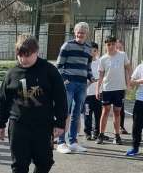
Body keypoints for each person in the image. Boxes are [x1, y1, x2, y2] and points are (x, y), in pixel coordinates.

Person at [0, 35, 67, 173]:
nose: (23, 59)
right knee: (19, 163)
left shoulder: (49, 71)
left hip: (43, 126)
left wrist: (60, 123)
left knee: (46, 161)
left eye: (28, 55)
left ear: (37, 52)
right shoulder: (12, 74)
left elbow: (61, 98)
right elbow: (3, 100)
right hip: (18, 125)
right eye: (20, 55)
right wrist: (0, 124)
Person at [56, 21, 93, 153]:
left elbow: (88, 67)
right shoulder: (67, 45)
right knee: (65, 112)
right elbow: (59, 65)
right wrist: (64, 79)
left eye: (83, 33)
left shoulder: (88, 48)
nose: (80, 34)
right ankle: (61, 142)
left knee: (77, 113)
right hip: (69, 84)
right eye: (78, 32)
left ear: (86, 34)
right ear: (74, 32)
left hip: (82, 84)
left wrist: (91, 77)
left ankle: (72, 142)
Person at [96, 36, 131, 144]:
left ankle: (117, 136)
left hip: (119, 89)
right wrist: (97, 89)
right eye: (108, 44)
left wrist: (128, 83)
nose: (111, 46)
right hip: (107, 89)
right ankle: (101, 135)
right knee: (105, 111)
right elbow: (100, 76)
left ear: (116, 44)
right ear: (105, 45)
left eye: (112, 44)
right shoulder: (103, 59)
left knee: (117, 112)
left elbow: (128, 69)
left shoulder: (122, 55)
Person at [83, 42, 102, 140]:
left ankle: (97, 132)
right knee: (87, 114)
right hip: (87, 94)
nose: (92, 53)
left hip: (98, 93)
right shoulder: (84, 63)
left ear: (97, 51)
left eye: (94, 51)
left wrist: (98, 81)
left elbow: (104, 76)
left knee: (98, 114)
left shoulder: (100, 62)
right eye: (90, 51)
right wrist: (89, 82)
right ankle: (87, 132)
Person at [126, 60, 143, 157]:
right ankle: (135, 148)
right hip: (140, 100)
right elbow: (131, 82)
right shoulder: (140, 67)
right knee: (137, 126)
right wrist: (137, 82)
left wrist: (137, 82)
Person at [116, 40, 129, 134]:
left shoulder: (124, 58)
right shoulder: (108, 58)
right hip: (109, 88)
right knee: (104, 109)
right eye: (117, 47)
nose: (119, 49)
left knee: (121, 108)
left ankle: (121, 126)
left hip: (121, 87)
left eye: (120, 48)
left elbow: (127, 72)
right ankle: (98, 129)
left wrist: (127, 85)